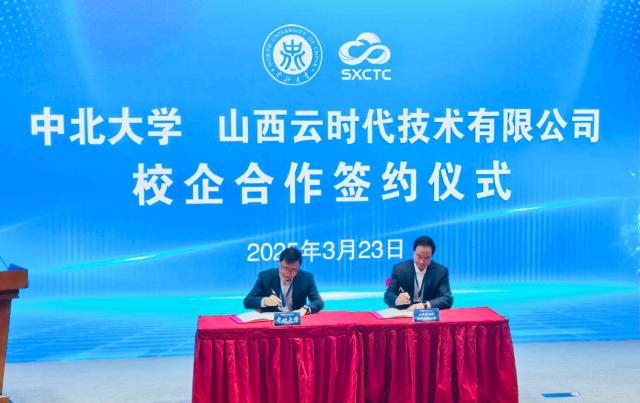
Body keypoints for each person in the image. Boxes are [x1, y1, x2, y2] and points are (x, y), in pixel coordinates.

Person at [243, 247, 324, 315]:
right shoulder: (265, 277)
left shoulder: (306, 278)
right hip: (271, 322)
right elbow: (247, 301)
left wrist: (305, 309)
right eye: (285, 268)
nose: (288, 273)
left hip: (296, 321)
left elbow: (318, 301)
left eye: (293, 270)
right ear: (279, 263)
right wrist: (265, 301)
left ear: (299, 267)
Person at [384, 236, 453, 310]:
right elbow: (388, 295)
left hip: (427, 313)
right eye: (419, 256)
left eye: (427, 258)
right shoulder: (399, 269)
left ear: (431, 256)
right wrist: (397, 300)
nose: (422, 261)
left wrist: (425, 305)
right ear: (414, 253)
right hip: (405, 311)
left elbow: (447, 298)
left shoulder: (441, 272)